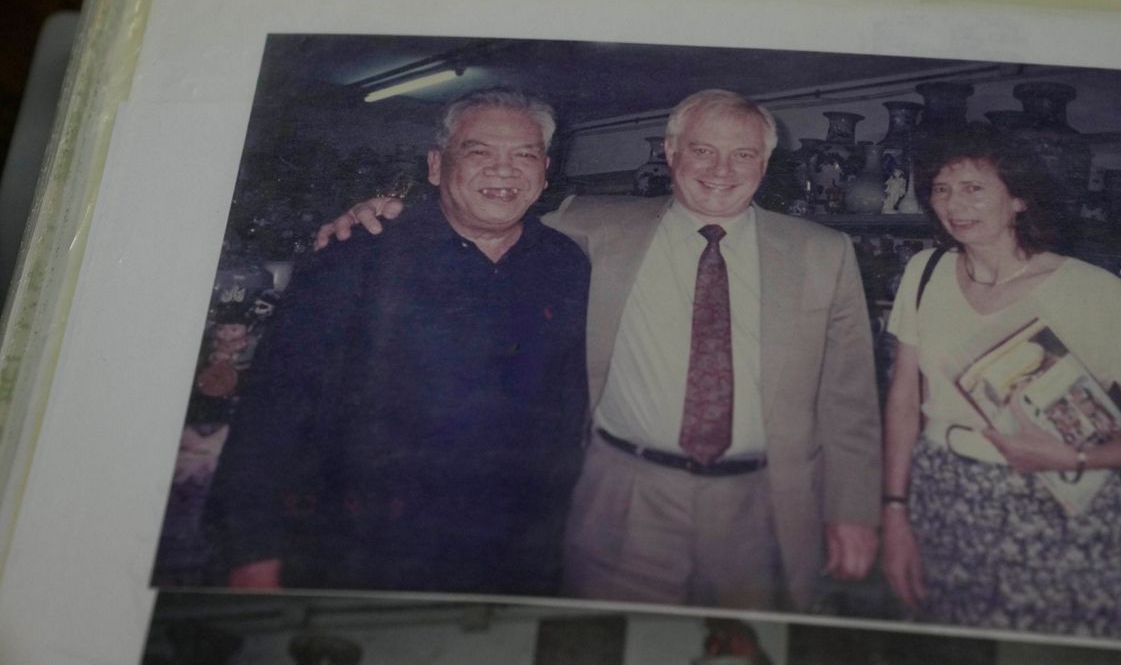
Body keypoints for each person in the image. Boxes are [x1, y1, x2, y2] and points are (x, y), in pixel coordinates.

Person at [317, 89, 882, 611]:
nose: (720, 171)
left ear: (765, 161)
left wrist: (854, 512)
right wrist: (387, 206)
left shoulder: (822, 252)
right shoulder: (592, 224)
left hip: (763, 501)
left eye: (742, 155)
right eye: (702, 150)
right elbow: (488, 201)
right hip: (623, 495)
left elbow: (849, 400)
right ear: (670, 151)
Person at [208, 89, 590, 595]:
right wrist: (252, 552)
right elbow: (274, 410)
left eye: (523, 156)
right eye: (479, 153)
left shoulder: (565, 264)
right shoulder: (355, 257)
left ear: (544, 170)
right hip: (366, 547)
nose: (504, 171)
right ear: (436, 166)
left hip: (512, 549)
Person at [880, 123, 1121, 637]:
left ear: (1019, 198)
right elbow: (904, 402)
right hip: (942, 496)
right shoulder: (923, 272)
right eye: (941, 189)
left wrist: (1076, 457)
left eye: (974, 188)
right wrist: (895, 511)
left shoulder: (1091, 291)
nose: (954, 204)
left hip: (1057, 500)